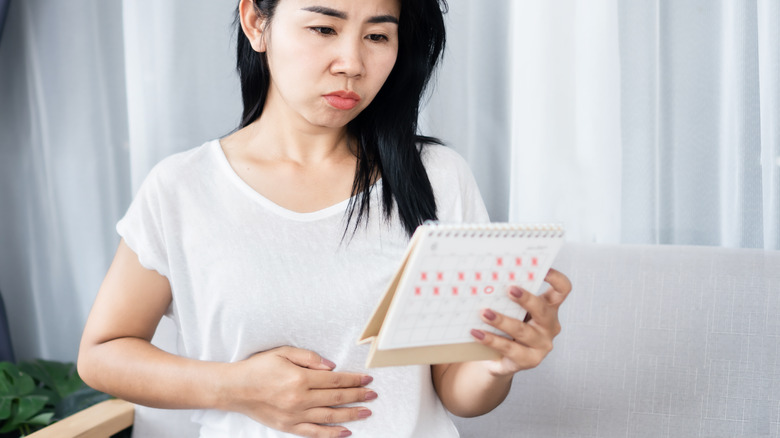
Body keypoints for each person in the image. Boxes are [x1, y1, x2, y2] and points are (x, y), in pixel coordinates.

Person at [77, 0, 573, 437]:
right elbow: (102, 354)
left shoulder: (437, 178)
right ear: (256, 22)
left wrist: (499, 363)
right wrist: (235, 387)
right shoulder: (182, 188)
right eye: (323, 28)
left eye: (378, 36)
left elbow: (458, 392)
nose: (352, 64)